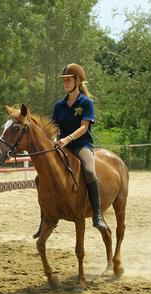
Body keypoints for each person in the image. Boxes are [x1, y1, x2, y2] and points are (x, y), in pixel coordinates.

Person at [33, 63, 108, 239]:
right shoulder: (59, 105)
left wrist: (68, 138)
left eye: (68, 80)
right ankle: (45, 217)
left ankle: (97, 215)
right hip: (63, 147)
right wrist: (50, 142)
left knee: (89, 171)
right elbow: (53, 127)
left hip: (81, 146)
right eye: (64, 80)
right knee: (39, 178)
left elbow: (84, 127)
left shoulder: (86, 103)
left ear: (78, 81)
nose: (65, 83)